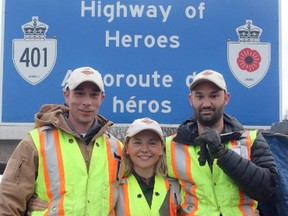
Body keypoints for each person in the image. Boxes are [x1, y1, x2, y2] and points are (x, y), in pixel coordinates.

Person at [0, 66, 124, 215]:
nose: (87, 102)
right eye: (79, 94)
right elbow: (9, 199)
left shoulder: (116, 148)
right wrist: (27, 204)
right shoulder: (36, 141)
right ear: (67, 95)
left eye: (93, 95)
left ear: (102, 98)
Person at [165, 69, 278, 216]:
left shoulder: (251, 139)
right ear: (190, 99)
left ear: (226, 98)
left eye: (214, 96)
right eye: (199, 96)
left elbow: (266, 189)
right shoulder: (171, 145)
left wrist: (223, 154)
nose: (206, 103)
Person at [26, 117, 181, 216]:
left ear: (161, 148)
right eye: (137, 142)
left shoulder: (175, 186)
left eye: (152, 143)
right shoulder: (113, 186)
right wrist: (30, 202)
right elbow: (82, 198)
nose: (145, 150)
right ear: (126, 147)